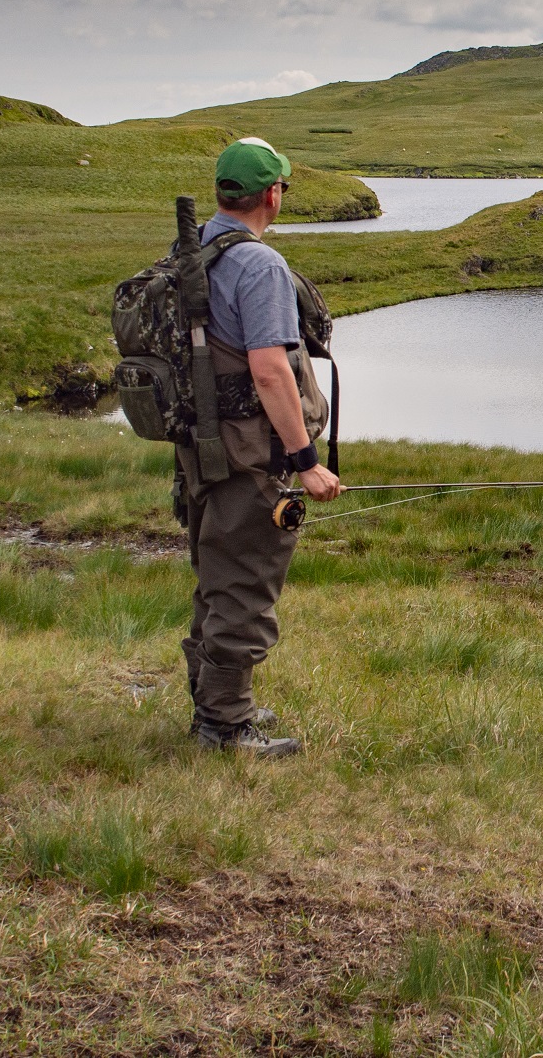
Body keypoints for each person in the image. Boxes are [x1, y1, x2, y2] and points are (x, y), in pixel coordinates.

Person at [178, 137, 342, 758]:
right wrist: (306, 463)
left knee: (215, 572)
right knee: (245, 577)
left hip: (201, 445)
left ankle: (218, 701)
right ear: (272, 194)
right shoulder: (260, 266)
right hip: (248, 450)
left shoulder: (193, 247)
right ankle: (223, 728)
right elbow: (271, 370)